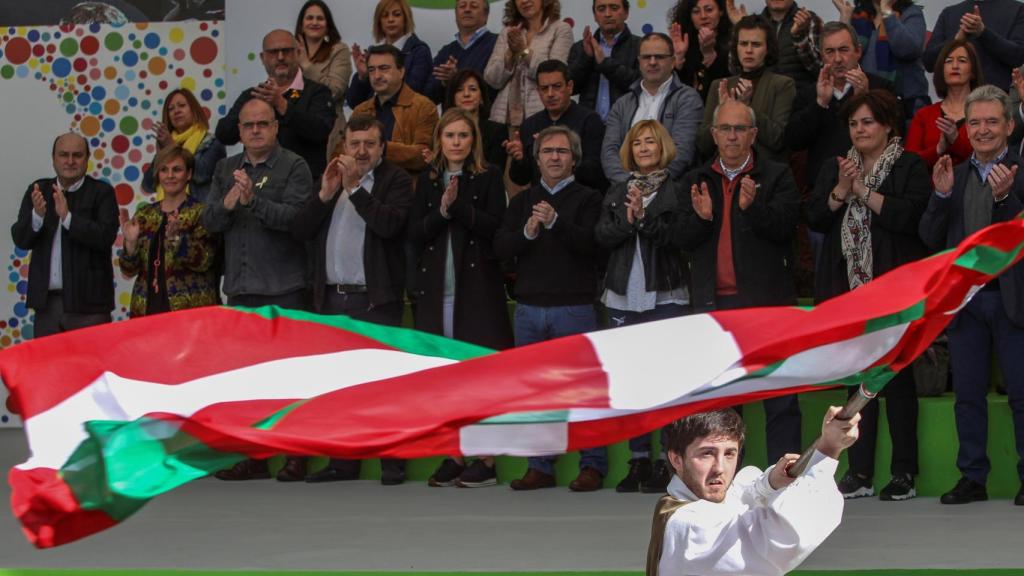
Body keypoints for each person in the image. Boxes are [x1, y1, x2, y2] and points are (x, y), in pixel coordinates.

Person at [807, 89, 929, 501]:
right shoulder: (837, 166)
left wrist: (863, 191)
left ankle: (904, 473)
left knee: (896, 381)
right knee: (858, 382)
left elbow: (910, 217)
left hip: (896, 291)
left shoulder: (910, 166)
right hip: (850, 291)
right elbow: (816, 219)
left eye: (867, 122)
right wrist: (842, 188)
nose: (859, 130)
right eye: (853, 123)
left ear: (888, 125)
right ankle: (859, 473)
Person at [291, 115, 414, 486]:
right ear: (344, 145)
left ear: (382, 148)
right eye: (354, 143)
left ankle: (392, 463)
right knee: (339, 387)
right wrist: (326, 194)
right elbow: (300, 230)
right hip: (331, 297)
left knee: (385, 386)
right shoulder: (333, 178)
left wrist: (357, 188)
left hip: (375, 299)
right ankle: (343, 463)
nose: (360, 151)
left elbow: (390, 225)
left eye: (369, 144)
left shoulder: (396, 181)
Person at [678, 100, 802, 465]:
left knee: (780, 398)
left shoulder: (776, 175)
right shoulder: (695, 179)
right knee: (724, 407)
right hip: (715, 309)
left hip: (767, 309)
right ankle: (726, 483)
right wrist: (702, 220)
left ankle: (784, 481)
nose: (732, 136)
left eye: (739, 129)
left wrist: (754, 208)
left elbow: (785, 228)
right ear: (714, 135)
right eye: (725, 129)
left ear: (753, 134)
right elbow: (678, 239)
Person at [919, 85, 1024, 507]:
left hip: (1013, 299)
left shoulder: (1021, 169)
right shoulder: (955, 173)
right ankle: (972, 477)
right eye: (975, 122)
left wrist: (1005, 198)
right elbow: (929, 236)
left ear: (1010, 126)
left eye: (991, 122)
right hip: (965, 301)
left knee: (1022, 393)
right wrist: (941, 196)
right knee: (967, 393)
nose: (982, 130)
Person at [205, 99, 314, 483]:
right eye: (248, 125)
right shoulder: (224, 168)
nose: (255, 130)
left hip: (284, 288)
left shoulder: (294, 166)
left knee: (290, 380)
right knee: (248, 384)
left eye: (262, 124)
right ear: (239, 131)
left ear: (276, 127)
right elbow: (210, 221)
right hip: (241, 289)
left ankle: (295, 454)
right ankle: (254, 456)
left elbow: (299, 220)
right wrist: (230, 204)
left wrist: (255, 200)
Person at [493, 125, 605, 492]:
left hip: (573, 307)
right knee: (535, 393)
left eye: (562, 151)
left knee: (583, 391)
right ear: (537, 158)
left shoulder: (588, 198)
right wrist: (527, 233)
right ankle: (540, 465)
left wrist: (557, 223)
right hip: (528, 308)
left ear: (574, 158)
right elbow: (501, 247)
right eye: (547, 152)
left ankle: (593, 465)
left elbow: (593, 244)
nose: (555, 157)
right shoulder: (523, 201)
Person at [409, 108, 513, 489]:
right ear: (439, 140)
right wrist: (440, 211)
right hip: (438, 294)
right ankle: (454, 454)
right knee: (446, 379)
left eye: (462, 136)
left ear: (473, 141)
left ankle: (485, 460)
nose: (455, 142)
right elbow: (416, 233)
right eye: (449, 135)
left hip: (477, 294)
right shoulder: (429, 179)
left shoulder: (485, 178)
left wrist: (461, 208)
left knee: (479, 377)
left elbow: (496, 229)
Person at [647, 407, 860, 576]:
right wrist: (829, 450)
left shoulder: (685, 501)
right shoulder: (690, 526)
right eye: (706, 454)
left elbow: (739, 497)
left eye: (730, 453)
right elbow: (780, 534)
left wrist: (771, 482)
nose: (720, 468)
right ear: (676, 459)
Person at [596, 120, 691, 493]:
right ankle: (637, 461)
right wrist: (628, 219)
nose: (644, 148)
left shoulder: (676, 191)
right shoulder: (617, 191)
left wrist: (646, 219)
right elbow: (601, 236)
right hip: (624, 295)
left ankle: (668, 464)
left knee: (668, 383)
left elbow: (681, 238)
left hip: (666, 294)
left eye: (650, 141)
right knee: (634, 382)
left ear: (663, 146)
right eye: (637, 143)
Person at [11, 133, 118, 338]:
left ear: (87, 159)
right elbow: (21, 239)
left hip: (90, 307)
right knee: (49, 368)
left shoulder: (102, 192)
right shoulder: (38, 190)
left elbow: (105, 237)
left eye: (77, 155)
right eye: (63, 155)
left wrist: (68, 218)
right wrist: (37, 217)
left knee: (90, 369)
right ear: (53, 159)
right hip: (47, 305)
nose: (70, 161)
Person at [786, 21, 896, 193]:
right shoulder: (808, 94)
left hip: (875, 187)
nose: (837, 59)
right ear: (821, 56)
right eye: (830, 52)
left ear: (858, 51)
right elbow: (794, 141)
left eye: (843, 50)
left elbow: (896, 135)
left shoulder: (882, 88)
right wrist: (820, 103)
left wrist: (866, 98)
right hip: (823, 191)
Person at [216, 29, 335, 179]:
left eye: (286, 51)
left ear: (298, 53)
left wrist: (281, 104)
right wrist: (247, 116)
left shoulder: (318, 92)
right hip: (258, 188)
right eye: (273, 52)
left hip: (305, 186)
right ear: (262, 57)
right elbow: (224, 135)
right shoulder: (252, 95)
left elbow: (320, 130)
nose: (280, 57)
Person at [119, 145, 218, 317]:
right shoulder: (144, 214)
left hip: (190, 314)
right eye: (164, 170)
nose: (170, 175)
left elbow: (205, 261)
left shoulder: (202, 212)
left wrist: (178, 240)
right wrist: (130, 244)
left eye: (177, 170)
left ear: (189, 174)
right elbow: (128, 271)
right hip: (146, 310)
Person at [601, 32, 704, 184]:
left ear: (673, 61)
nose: (652, 62)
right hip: (627, 192)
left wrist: (651, 186)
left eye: (660, 57)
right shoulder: (622, 104)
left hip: (672, 193)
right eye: (646, 57)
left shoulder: (688, 98)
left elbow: (682, 152)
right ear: (639, 62)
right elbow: (610, 152)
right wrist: (628, 184)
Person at [698, 15, 796, 164]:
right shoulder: (718, 85)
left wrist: (746, 107)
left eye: (756, 44)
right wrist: (722, 112)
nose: (748, 50)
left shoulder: (783, 85)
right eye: (743, 43)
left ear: (768, 49)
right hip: (722, 170)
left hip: (764, 171)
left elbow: (777, 140)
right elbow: (703, 145)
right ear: (735, 47)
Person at [507, 59, 608, 193]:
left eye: (557, 86)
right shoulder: (530, 125)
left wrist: (560, 157)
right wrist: (519, 160)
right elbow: (521, 179)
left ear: (570, 86)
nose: (550, 94)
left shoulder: (589, 120)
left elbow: (595, 172)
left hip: (579, 200)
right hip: (541, 201)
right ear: (538, 91)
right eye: (544, 88)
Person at [350, 44, 439, 188]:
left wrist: (380, 148)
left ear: (401, 71)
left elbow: (424, 156)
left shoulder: (424, 107)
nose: (377, 76)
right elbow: (344, 149)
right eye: (371, 70)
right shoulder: (360, 110)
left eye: (384, 68)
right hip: (363, 189)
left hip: (405, 192)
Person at [484, 0, 573, 130]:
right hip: (503, 119)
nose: (524, 1)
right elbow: (492, 79)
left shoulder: (561, 29)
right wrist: (509, 55)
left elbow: (554, 76)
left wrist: (523, 51)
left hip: (541, 118)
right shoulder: (508, 32)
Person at [841, 0, 929, 119]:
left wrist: (887, 13)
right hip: (864, 99)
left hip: (906, 103)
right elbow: (844, 55)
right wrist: (845, 16)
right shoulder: (858, 16)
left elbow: (907, 49)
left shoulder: (911, 13)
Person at [905, 38, 983, 170]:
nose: (955, 66)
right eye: (948, 61)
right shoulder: (924, 115)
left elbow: (989, 159)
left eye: (962, 61)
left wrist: (955, 140)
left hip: (974, 189)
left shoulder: (985, 113)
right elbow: (908, 164)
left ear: (973, 71)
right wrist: (938, 149)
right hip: (929, 189)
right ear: (941, 70)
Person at [922, 0, 1024, 93]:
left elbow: (1017, 57)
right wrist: (956, 40)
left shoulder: (1018, 10)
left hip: (996, 101)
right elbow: (929, 62)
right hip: (954, 101)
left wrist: (983, 33)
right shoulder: (949, 13)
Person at [143, 87, 225, 202]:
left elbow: (201, 175)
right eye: (171, 109)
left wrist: (172, 148)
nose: (176, 111)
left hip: (200, 215)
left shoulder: (212, 142)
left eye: (182, 105)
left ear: (194, 109)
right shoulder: (167, 143)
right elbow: (147, 186)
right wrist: (160, 155)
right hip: (167, 215)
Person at [345, 0, 433, 108]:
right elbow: (354, 103)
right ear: (379, 22)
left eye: (396, 15)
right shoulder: (373, 53)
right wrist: (362, 77)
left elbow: (412, 92)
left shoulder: (419, 51)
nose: (390, 20)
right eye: (385, 16)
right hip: (371, 121)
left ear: (406, 19)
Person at [294, 0, 352, 160]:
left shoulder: (339, 50)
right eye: (309, 18)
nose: (314, 22)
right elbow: (286, 89)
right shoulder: (291, 51)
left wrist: (306, 65)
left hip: (328, 130)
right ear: (301, 24)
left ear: (328, 24)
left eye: (320, 18)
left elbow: (334, 91)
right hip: (295, 126)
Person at [567, 0, 641, 121]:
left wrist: (605, 63)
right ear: (595, 16)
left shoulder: (640, 46)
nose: (607, 14)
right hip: (589, 126)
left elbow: (641, 86)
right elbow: (570, 88)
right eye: (601, 9)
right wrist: (586, 58)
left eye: (614, 8)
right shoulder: (580, 47)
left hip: (627, 125)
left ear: (626, 13)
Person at [423, 0, 498, 105]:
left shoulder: (498, 43)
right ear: (456, 15)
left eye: (474, 6)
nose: (467, 10)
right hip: (452, 120)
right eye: (462, 6)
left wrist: (456, 78)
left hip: (485, 118)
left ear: (486, 16)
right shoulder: (446, 51)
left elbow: (496, 86)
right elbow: (428, 97)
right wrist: (444, 82)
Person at [669, 0, 733, 100]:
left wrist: (709, 55)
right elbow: (673, 90)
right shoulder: (684, 42)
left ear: (721, 12)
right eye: (696, 11)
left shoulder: (733, 42)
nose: (703, 16)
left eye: (709, 10)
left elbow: (724, 85)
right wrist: (678, 59)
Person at [444, 69, 508, 169]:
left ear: (481, 97)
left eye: (472, 89)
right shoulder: (443, 130)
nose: (466, 94)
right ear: (453, 98)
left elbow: (495, 174)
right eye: (459, 90)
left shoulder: (497, 131)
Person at [759, 0, 823, 88]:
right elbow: (738, 70)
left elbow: (820, 70)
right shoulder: (755, 24)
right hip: (764, 98)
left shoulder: (810, 20)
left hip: (801, 97)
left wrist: (800, 37)